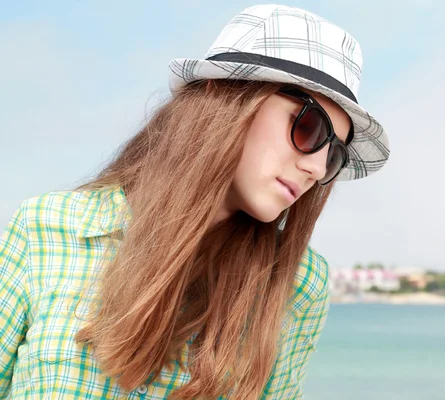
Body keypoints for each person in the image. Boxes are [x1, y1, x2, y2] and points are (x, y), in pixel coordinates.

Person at [0, 4, 389, 399]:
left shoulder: (299, 283)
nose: (318, 167)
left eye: (335, 156)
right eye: (308, 127)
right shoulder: (47, 228)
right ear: (221, 94)